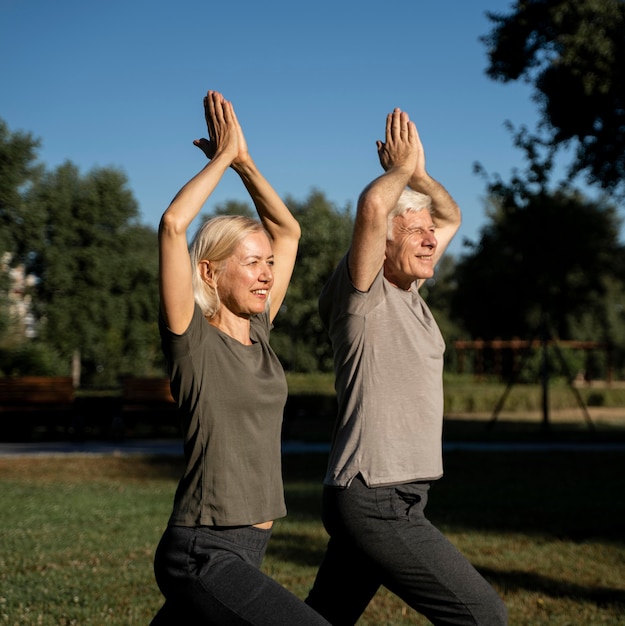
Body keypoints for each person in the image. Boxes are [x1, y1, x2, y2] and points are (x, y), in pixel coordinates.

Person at [305, 108, 508, 625]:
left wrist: (417, 174)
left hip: (399, 496)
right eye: (414, 229)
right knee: (483, 618)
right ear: (383, 243)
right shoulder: (361, 297)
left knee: (325, 618)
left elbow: (453, 216)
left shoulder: (409, 292)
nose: (430, 238)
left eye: (428, 231)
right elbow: (373, 206)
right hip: (373, 497)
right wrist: (396, 171)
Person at [150, 90, 330, 626]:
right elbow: (172, 226)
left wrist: (246, 161)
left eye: (268, 265)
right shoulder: (192, 341)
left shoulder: (260, 329)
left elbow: (290, 231)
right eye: (251, 263)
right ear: (209, 272)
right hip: (203, 548)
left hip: (250, 545)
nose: (266, 274)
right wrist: (221, 161)